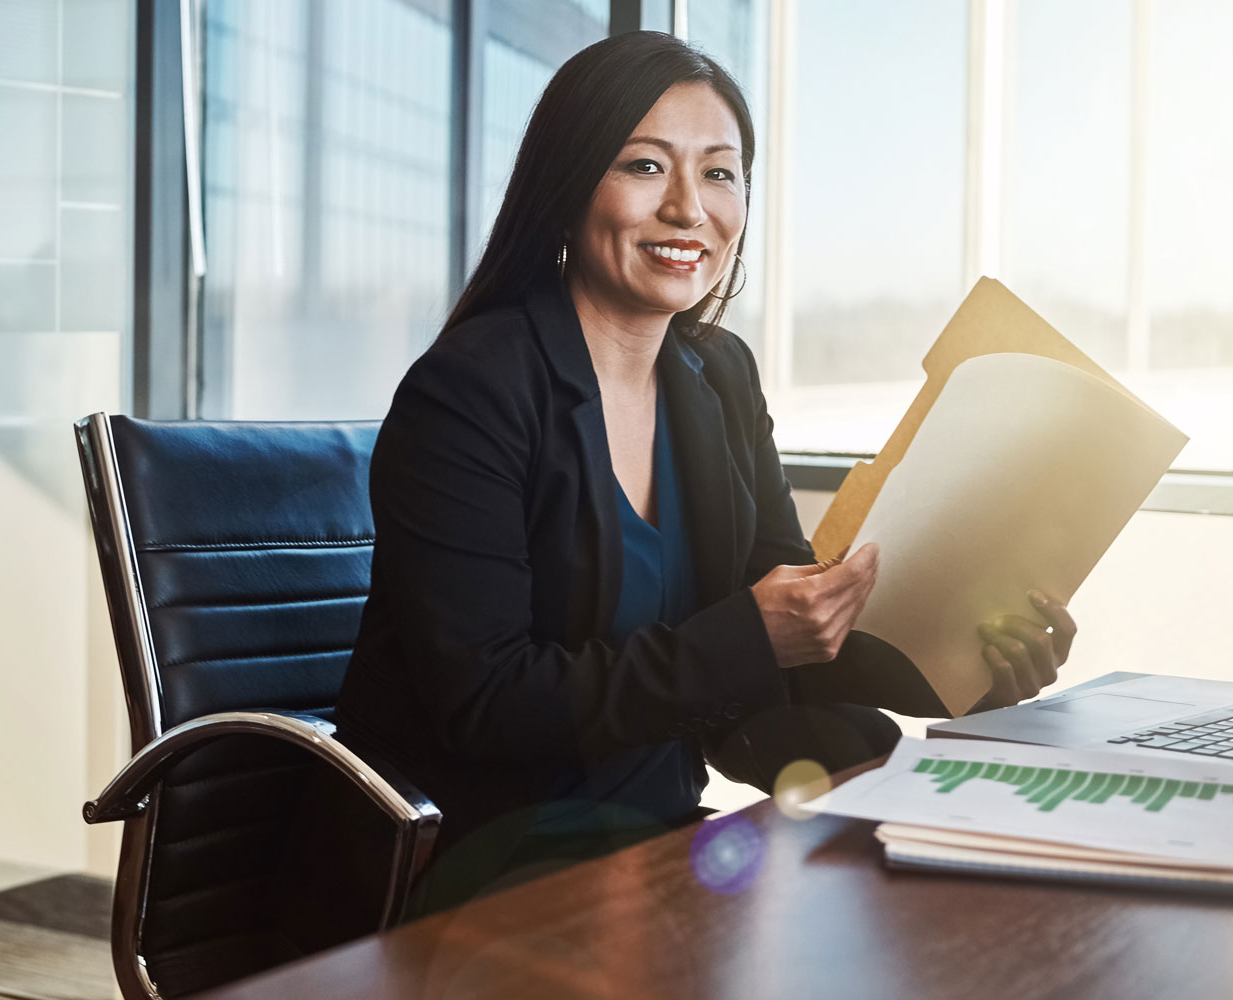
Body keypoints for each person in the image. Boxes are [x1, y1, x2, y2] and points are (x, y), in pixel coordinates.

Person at [335, 31, 1076, 909]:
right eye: (646, 167)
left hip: (653, 854)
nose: (689, 208)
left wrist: (967, 664)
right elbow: (488, 704)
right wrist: (757, 637)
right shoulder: (469, 392)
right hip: (477, 859)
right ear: (568, 187)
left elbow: (787, 633)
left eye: (720, 174)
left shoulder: (719, 376)